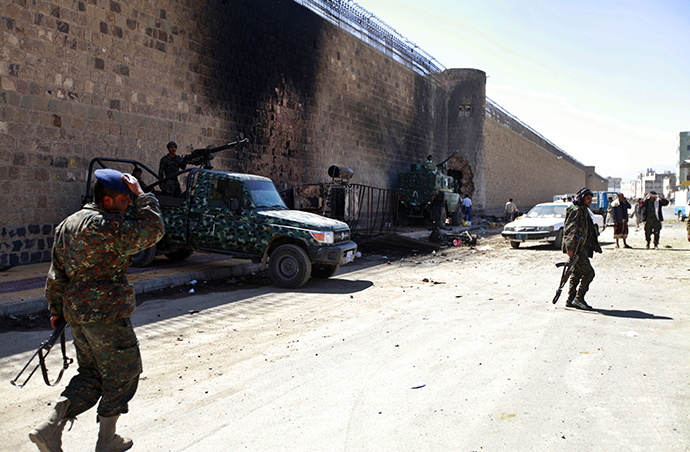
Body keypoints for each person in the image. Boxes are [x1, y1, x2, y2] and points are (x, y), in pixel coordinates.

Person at [29, 169, 165, 452]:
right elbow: (154, 230)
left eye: (130, 199)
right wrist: (142, 195)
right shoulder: (107, 225)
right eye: (123, 199)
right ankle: (107, 439)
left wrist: (56, 310)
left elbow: (57, 273)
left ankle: (50, 427)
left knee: (91, 375)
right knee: (123, 372)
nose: (128, 204)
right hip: (107, 313)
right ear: (107, 201)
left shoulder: (68, 224)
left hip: (76, 313)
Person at [562, 187, 602, 310]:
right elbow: (570, 230)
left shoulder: (584, 211)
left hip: (582, 248)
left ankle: (570, 299)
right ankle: (579, 299)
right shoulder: (576, 210)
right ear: (581, 198)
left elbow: (590, 231)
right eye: (587, 198)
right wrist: (570, 249)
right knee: (589, 273)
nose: (590, 200)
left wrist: (596, 247)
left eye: (591, 198)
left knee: (577, 273)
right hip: (577, 249)